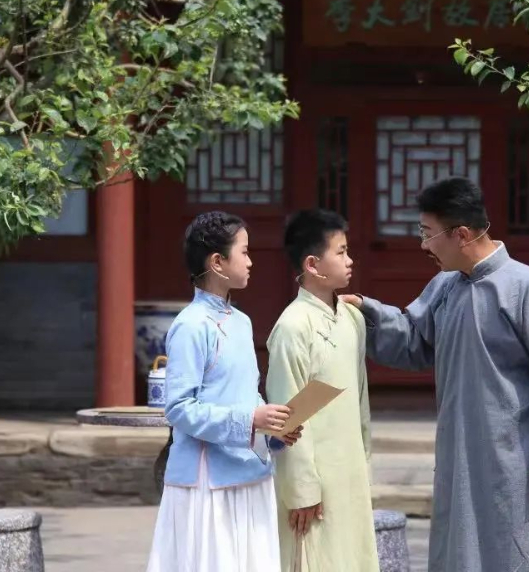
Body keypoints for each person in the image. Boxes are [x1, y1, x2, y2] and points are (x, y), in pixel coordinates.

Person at [341, 178, 529, 572]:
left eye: (427, 233)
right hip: (457, 449)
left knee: (512, 548)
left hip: (511, 454)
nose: (423, 245)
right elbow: (413, 340)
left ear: (462, 234)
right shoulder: (445, 285)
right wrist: (364, 310)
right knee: (458, 549)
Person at [146, 211, 302, 572]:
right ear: (217, 262)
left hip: (250, 470)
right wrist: (251, 419)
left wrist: (273, 427)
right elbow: (179, 408)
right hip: (207, 482)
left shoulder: (241, 322)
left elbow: (246, 394)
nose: (250, 261)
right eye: (244, 252)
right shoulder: (190, 325)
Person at [266, 209, 380, 572]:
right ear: (313, 264)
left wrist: (363, 461)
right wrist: (302, 490)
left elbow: (360, 399)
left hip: (349, 469)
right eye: (341, 252)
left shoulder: (352, 318)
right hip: (315, 480)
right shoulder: (292, 327)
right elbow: (286, 416)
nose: (350, 260)